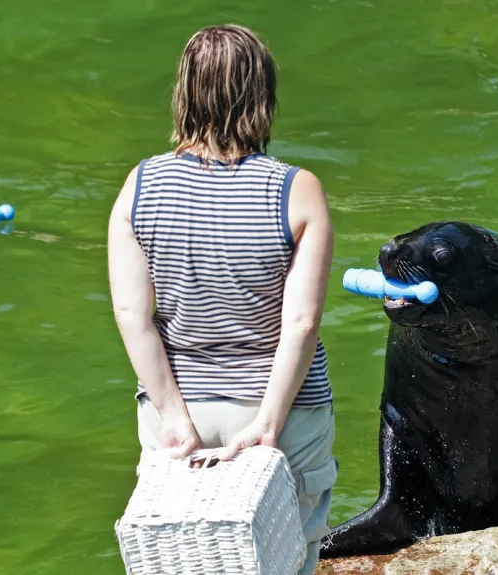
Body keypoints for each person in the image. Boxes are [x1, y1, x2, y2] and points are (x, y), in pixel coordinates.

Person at [106, 24, 336, 574]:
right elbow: (300, 323)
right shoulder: (294, 189)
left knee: (182, 562)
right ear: (264, 98)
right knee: (287, 559)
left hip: (177, 411)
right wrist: (267, 425)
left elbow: (133, 315)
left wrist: (174, 418)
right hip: (279, 410)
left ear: (183, 95)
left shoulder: (140, 185)